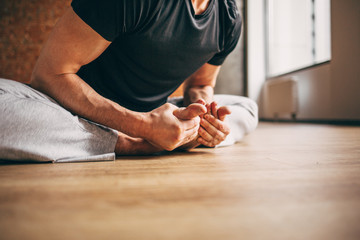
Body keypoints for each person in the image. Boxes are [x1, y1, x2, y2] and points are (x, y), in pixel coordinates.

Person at [0, 0, 258, 163]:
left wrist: (204, 120)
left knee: (246, 108)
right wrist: (143, 129)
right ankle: (135, 145)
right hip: (69, 112)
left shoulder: (228, 19)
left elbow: (201, 86)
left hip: (155, 115)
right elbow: (49, 74)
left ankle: (175, 136)